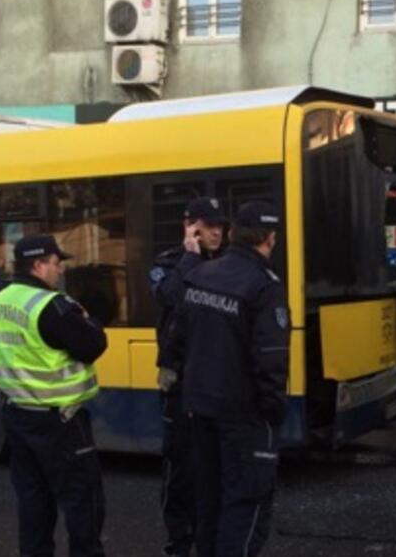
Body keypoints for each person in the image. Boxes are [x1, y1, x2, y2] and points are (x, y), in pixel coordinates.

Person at [167, 201, 290, 557]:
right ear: (269, 239)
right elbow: (270, 358)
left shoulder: (201, 275)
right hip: (244, 414)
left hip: (200, 410)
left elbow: (177, 338)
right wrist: (273, 410)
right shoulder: (264, 286)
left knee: (210, 500)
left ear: (235, 234)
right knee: (247, 501)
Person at [0, 234, 108, 557]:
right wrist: (89, 320)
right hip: (61, 422)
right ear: (38, 265)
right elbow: (93, 344)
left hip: (18, 417)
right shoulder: (51, 306)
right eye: (55, 263)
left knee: (33, 501)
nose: (59, 271)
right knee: (83, 502)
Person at [149, 196, 228, 557]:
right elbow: (171, 297)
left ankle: (209, 538)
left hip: (216, 380)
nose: (217, 232)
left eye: (220, 226)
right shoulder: (168, 264)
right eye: (208, 225)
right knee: (180, 469)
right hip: (179, 383)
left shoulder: (228, 265)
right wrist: (191, 257)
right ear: (190, 226)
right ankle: (178, 543)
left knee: (214, 468)